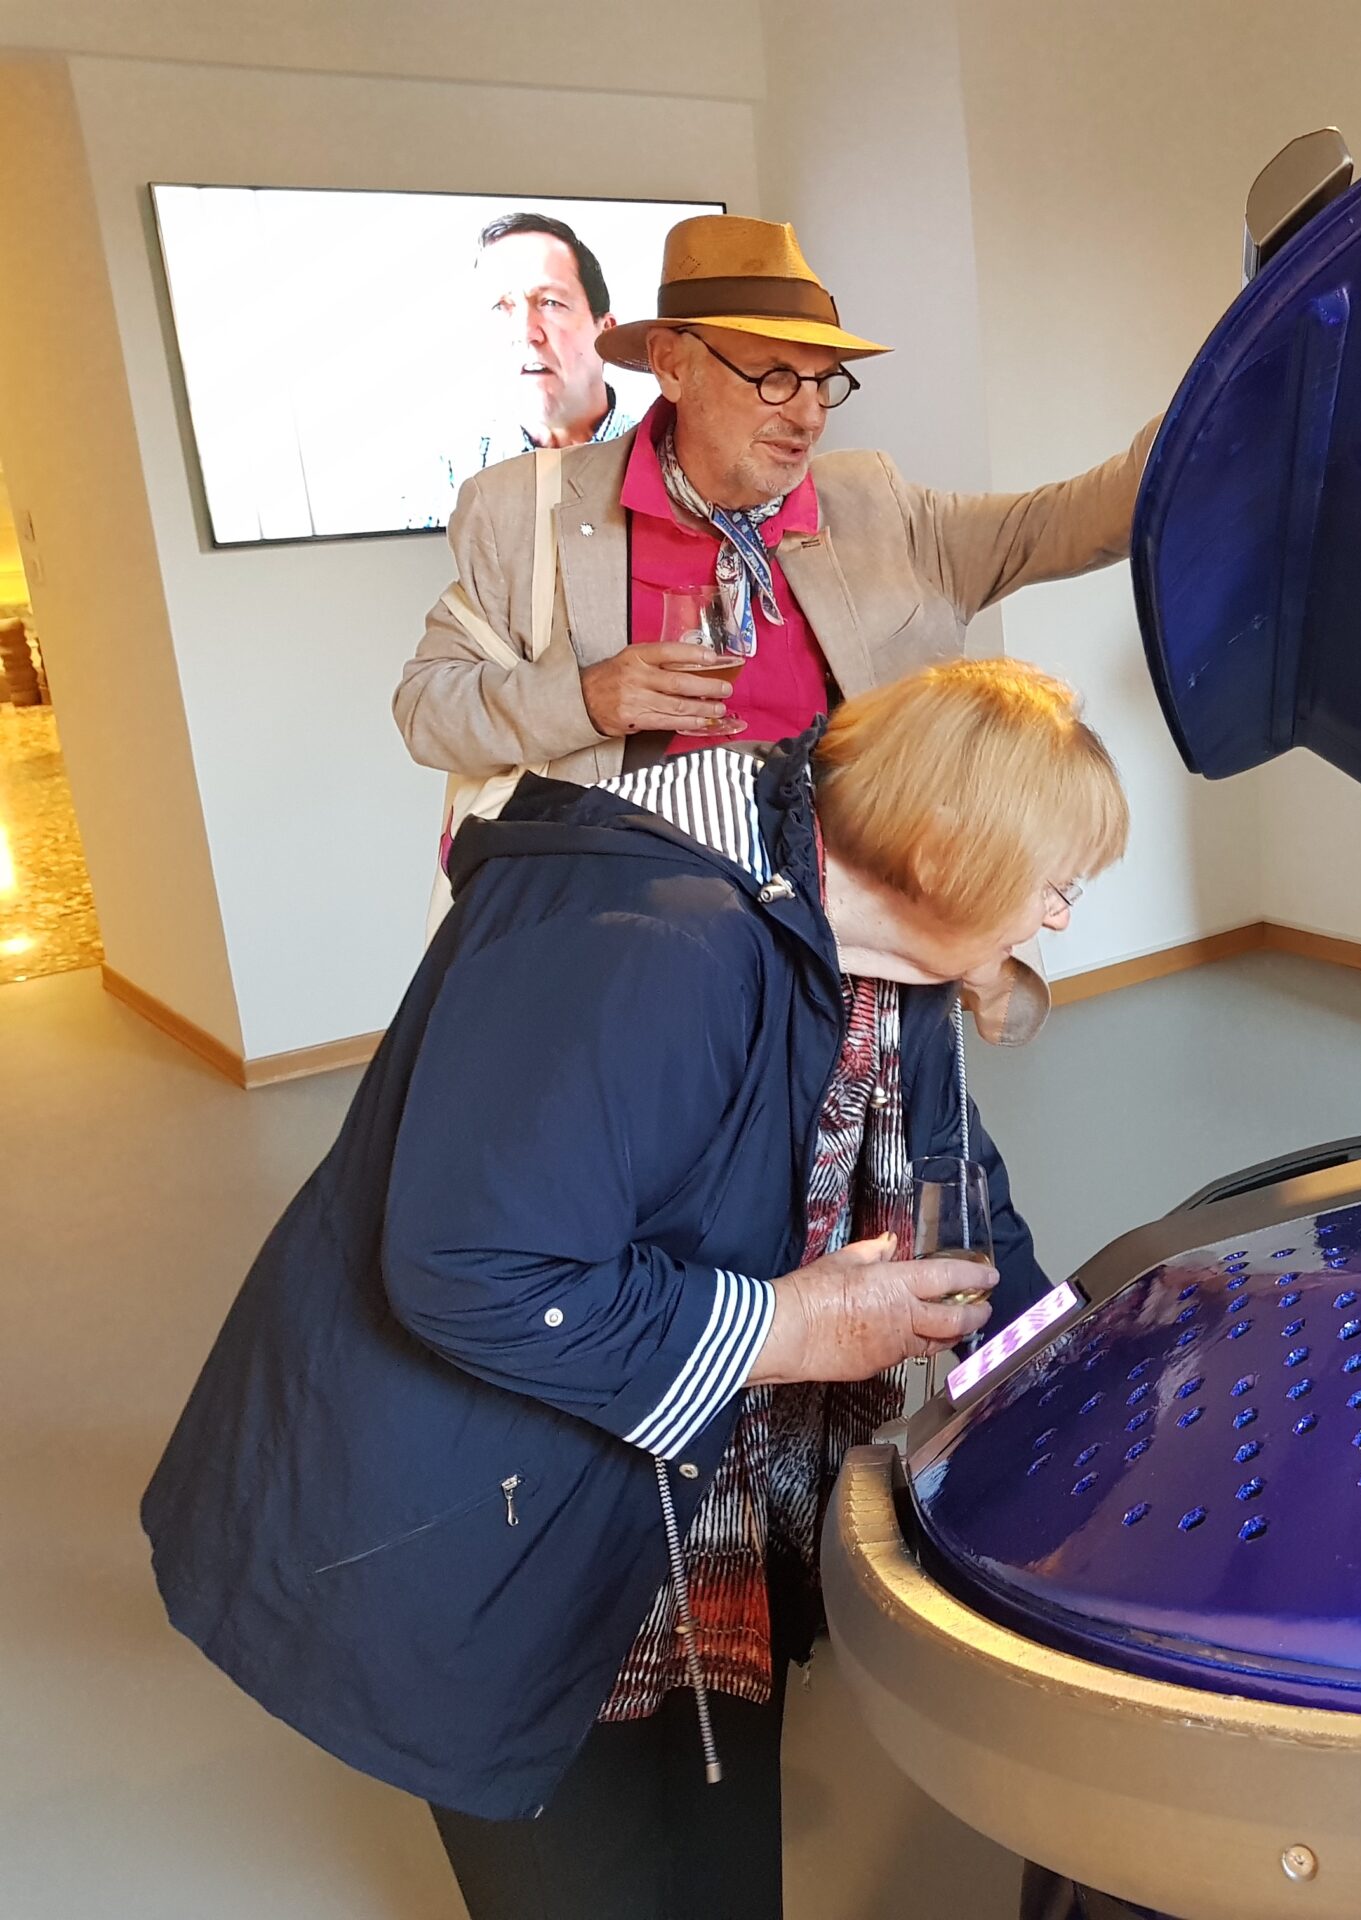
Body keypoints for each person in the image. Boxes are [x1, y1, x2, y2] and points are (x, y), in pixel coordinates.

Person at [143, 658, 1129, 1920]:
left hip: (686, 1501)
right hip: (490, 1518)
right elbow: (476, 1272)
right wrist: (792, 1325)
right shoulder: (656, 940)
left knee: (716, 1871)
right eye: (1053, 885)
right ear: (939, 854)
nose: (1057, 920)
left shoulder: (887, 960)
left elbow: (961, 1203)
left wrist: (1076, 1389)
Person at [396, 212, 1155, 784]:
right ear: (672, 365)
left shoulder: (875, 502)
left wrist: (1208, 412)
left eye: (824, 381)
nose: (809, 415)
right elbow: (428, 708)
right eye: (774, 377)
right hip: (642, 895)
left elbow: (1068, 521)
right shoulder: (524, 511)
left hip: (845, 900)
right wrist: (587, 700)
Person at [441, 211, 644, 492]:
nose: (527, 333)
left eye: (551, 302)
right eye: (501, 307)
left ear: (606, 333)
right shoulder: (448, 479)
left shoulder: (666, 463)